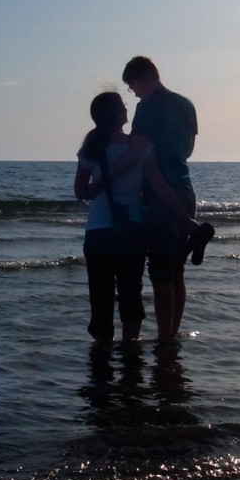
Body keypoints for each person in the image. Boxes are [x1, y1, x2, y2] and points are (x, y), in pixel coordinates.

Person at [74, 91, 199, 347]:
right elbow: (161, 188)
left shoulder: (90, 148)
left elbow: (80, 192)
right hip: (130, 232)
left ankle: (102, 358)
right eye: (123, 105)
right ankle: (130, 356)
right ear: (119, 115)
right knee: (131, 295)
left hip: (97, 232)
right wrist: (185, 219)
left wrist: (99, 185)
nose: (127, 109)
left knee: (100, 297)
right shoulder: (140, 147)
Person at [120, 56, 213, 340]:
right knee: (176, 269)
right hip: (185, 189)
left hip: (159, 191)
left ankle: (164, 340)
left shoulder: (147, 107)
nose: (133, 93)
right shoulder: (186, 105)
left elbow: (136, 148)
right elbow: (189, 150)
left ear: (141, 79)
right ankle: (171, 334)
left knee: (160, 271)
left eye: (132, 86)